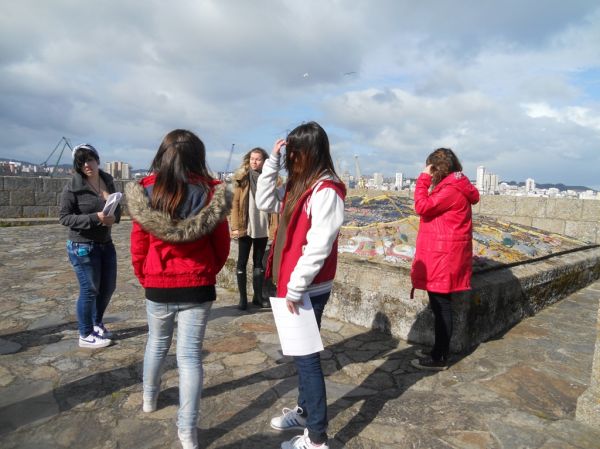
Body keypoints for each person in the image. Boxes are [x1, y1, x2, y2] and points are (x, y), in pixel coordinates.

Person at [126, 129, 231, 449]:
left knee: (156, 344)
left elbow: (138, 245)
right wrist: (207, 272)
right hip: (197, 285)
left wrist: (146, 277)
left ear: (163, 154)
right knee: (189, 359)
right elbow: (222, 246)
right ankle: (187, 431)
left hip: (158, 283)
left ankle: (149, 398)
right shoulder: (211, 194)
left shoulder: (145, 191)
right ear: (198, 157)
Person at [256, 121, 346, 449]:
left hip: (306, 288)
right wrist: (272, 163)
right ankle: (305, 412)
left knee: (307, 360)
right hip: (292, 285)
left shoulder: (325, 190)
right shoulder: (299, 185)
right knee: (300, 355)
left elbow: (319, 244)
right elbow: (265, 200)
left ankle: (317, 436)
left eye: (294, 152)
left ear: (308, 153)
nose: (291, 157)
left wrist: (295, 288)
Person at [409, 148, 480, 371]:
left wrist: (423, 179)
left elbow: (422, 207)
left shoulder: (450, 189)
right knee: (440, 305)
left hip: (442, 257)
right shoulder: (456, 185)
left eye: (431, 168)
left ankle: (439, 357)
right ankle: (438, 350)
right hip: (446, 255)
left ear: (437, 168)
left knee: (441, 307)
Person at [59, 143, 121, 349]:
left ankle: (96, 323)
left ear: (97, 160)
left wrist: (114, 218)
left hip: (105, 243)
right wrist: (96, 218)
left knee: (108, 287)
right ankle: (85, 334)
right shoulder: (72, 187)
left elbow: (116, 211)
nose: (87, 164)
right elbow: (65, 218)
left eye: (90, 159)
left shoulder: (107, 181)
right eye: (81, 161)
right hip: (82, 245)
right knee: (89, 290)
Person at [231, 147, 271, 310]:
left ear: (264, 161)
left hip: (262, 224)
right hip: (245, 224)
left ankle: (258, 296)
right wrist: (234, 226)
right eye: (252, 158)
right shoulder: (242, 178)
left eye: (258, 159)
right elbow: (234, 203)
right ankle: (242, 299)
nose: (254, 162)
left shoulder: (270, 178)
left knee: (258, 262)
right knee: (241, 261)